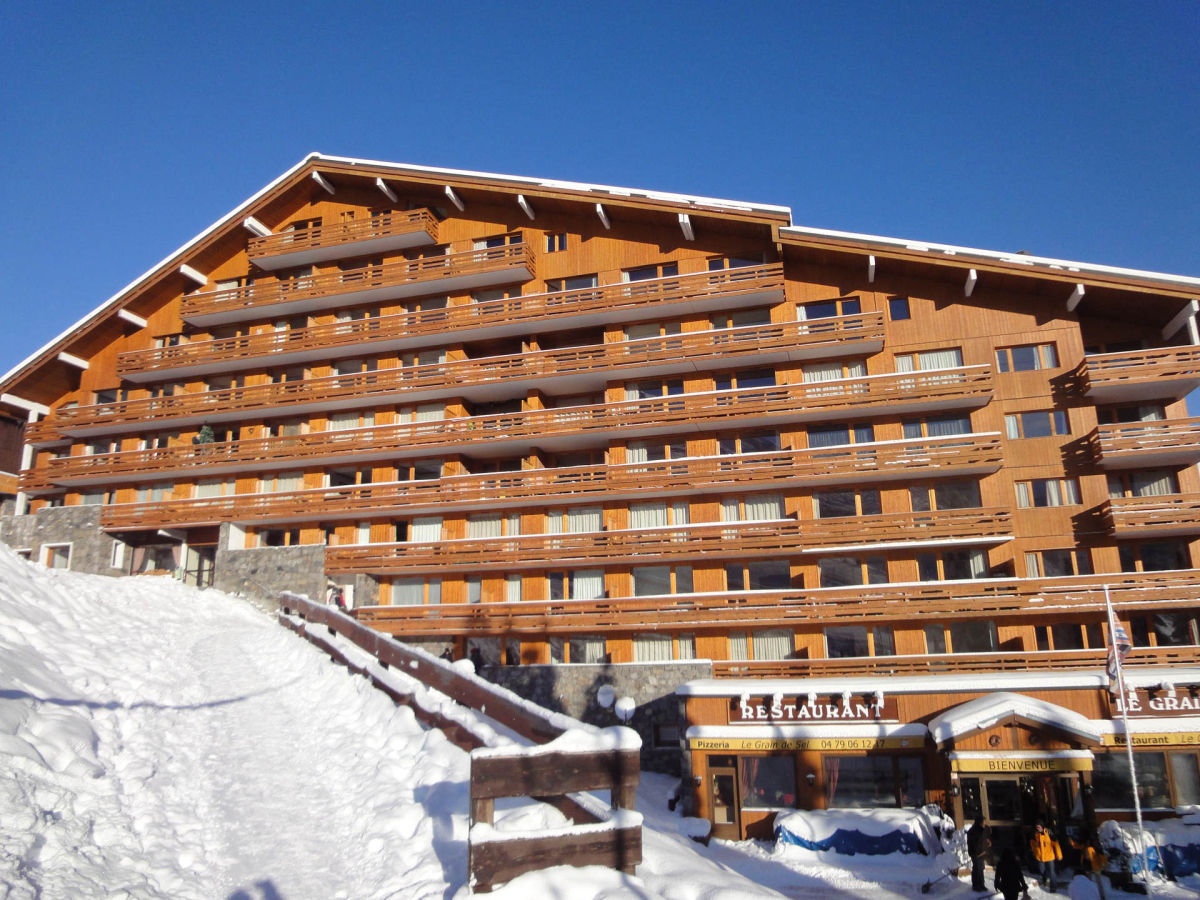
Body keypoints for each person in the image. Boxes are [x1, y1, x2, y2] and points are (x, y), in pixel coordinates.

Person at [1030, 819, 1062, 892]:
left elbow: (1056, 844)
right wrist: (1035, 853)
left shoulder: (1049, 832)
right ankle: (1045, 879)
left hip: (1049, 855)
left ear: (1042, 826)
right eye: (1036, 827)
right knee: (1042, 870)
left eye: (1039, 827)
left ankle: (1053, 887)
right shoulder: (1035, 834)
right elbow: (1032, 844)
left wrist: (1059, 855)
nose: (1038, 828)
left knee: (1052, 872)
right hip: (1040, 856)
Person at [967, 816, 990, 892]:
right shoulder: (973, 831)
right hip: (976, 853)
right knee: (976, 869)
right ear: (979, 822)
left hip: (981, 853)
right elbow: (973, 843)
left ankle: (981, 884)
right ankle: (976, 885)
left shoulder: (981, 830)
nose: (984, 824)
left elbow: (982, 839)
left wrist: (987, 842)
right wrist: (977, 852)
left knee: (981, 868)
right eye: (983, 822)